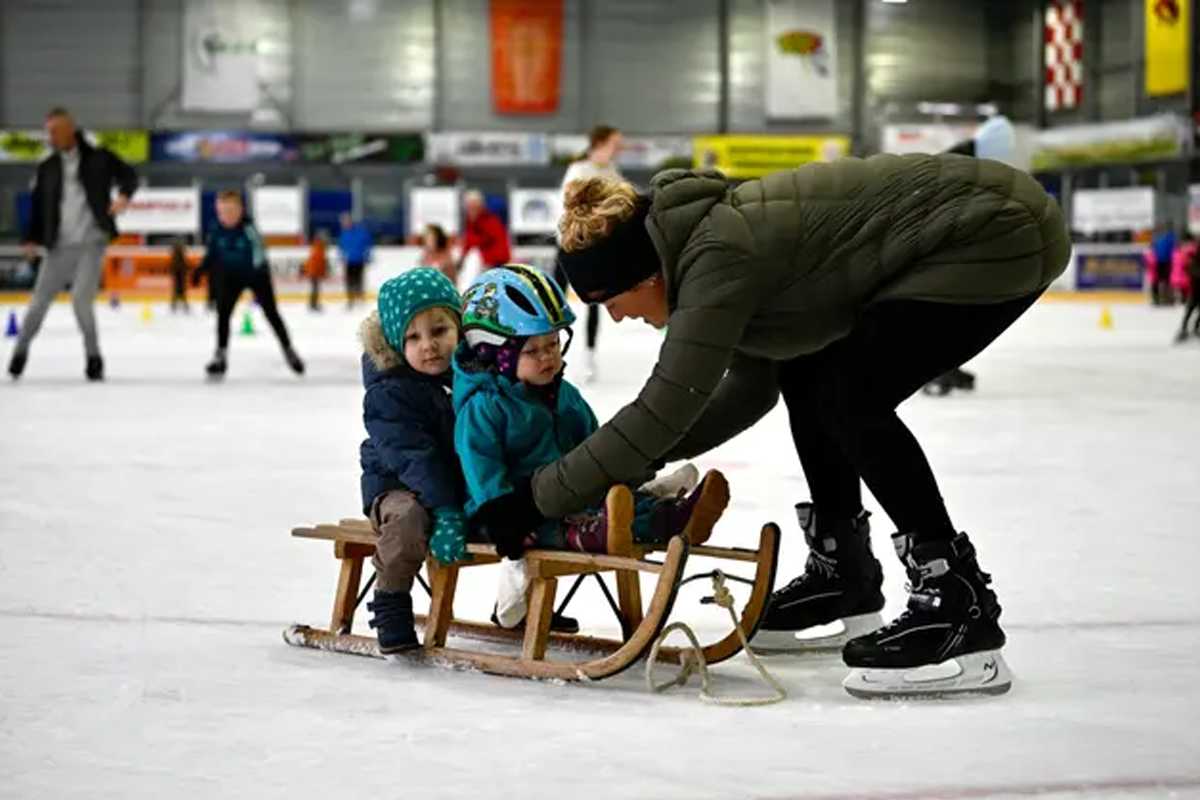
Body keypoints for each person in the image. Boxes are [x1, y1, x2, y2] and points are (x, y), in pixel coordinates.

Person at [478, 154, 1072, 698]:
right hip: (965, 227)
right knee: (809, 377)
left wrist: (537, 496)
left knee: (851, 396)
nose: (617, 316)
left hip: (996, 233)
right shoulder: (699, 248)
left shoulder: (715, 258)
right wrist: (618, 467)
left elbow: (668, 404)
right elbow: (750, 389)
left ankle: (957, 603)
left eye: (612, 299)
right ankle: (846, 574)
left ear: (647, 275)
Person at [452, 264, 728, 627]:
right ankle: (649, 520)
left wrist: (620, 479)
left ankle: (665, 512)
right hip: (505, 516)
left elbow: (594, 450)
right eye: (533, 350)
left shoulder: (565, 396)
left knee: (610, 507)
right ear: (494, 355)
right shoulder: (484, 408)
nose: (549, 356)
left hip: (564, 500)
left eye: (553, 343)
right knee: (589, 525)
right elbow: (481, 467)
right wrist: (502, 513)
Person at [358, 269, 471, 653]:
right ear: (394, 343)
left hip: (450, 486)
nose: (429, 346)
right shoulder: (389, 393)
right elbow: (415, 459)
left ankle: (517, 603)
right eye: (413, 337)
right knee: (409, 520)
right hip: (397, 485)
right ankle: (390, 600)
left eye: (439, 331)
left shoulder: (469, 378)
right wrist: (447, 508)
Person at [8, 107, 138, 382]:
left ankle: (93, 357)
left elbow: (129, 174)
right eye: (48, 132)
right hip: (59, 245)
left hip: (91, 242)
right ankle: (20, 352)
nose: (50, 137)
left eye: (55, 131)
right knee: (37, 304)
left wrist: (125, 196)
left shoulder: (99, 158)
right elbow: (38, 206)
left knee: (81, 301)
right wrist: (30, 238)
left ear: (70, 129)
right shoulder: (48, 168)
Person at [193, 190, 304, 378]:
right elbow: (212, 255)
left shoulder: (249, 230)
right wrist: (200, 270)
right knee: (223, 315)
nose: (225, 215)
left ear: (239, 210)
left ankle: (289, 351)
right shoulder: (216, 230)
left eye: (229, 210)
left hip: (256, 276)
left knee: (271, 313)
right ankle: (220, 357)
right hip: (230, 278)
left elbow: (259, 254)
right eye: (221, 211)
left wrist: (257, 276)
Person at [555, 125, 625, 383]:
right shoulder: (578, 171)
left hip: (597, 245)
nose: (621, 148)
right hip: (571, 242)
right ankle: (550, 345)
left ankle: (589, 355)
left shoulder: (612, 171)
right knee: (556, 296)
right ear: (601, 142)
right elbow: (568, 207)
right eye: (616, 142)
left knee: (596, 300)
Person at [458, 190, 511, 275]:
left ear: (480, 207)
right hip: (478, 265)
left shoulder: (492, 223)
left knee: (474, 256)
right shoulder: (470, 224)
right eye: (469, 208)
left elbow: (502, 252)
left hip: (492, 266)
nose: (471, 210)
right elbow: (467, 246)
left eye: (474, 207)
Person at [338, 213, 372, 310]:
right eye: (343, 222)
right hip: (349, 261)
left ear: (351, 221)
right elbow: (341, 247)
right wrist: (341, 257)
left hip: (359, 260)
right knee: (349, 281)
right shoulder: (344, 233)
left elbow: (368, 245)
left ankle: (360, 299)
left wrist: (368, 256)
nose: (345, 224)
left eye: (346, 221)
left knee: (359, 280)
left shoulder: (361, 232)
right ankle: (350, 300)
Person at [1175, 233, 1200, 343]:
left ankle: (1195, 328)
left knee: (1193, 309)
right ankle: (1184, 329)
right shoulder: (1192, 254)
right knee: (1190, 309)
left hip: (1195, 286)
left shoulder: (1192, 254)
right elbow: (1188, 268)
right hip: (1195, 287)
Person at [303, 230, 329, 312]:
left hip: (314, 271)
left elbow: (319, 261)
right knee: (315, 289)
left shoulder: (319, 246)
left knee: (315, 288)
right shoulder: (318, 247)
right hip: (314, 272)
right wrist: (321, 272)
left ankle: (313, 304)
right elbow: (317, 261)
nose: (326, 239)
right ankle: (313, 304)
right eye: (324, 238)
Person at [169, 237, 192, 314]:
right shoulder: (179, 256)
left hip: (179, 274)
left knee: (177, 290)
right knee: (180, 290)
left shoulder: (175, 256)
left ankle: (175, 306)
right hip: (180, 274)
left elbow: (173, 266)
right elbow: (185, 264)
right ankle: (180, 306)